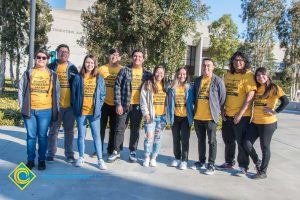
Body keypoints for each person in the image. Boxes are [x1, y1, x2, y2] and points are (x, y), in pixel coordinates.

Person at [243, 67, 289, 179]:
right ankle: (257, 161)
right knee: (246, 143)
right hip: (255, 122)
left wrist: (275, 111)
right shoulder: (257, 88)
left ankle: (263, 172)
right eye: (258, 75)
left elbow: (285, 101)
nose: (260, 77)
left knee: (265, 147)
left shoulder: (274, 87)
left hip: (268, 123)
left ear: (267, 75)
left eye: (263, 75)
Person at [18, 50, 60, 170]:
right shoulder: (28, 73)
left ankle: (42, 160)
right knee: (31, 136)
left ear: (47, 60)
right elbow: (21, 90)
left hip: (45, 110)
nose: (41, 60)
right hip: (30, 110)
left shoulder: (52, 75)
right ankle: (30, 160)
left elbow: (56, 93)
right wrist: (22, 106)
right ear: (35, 58)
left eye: (44, 58)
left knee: (42, 136)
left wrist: (55, 110)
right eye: (38, 57)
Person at [108, 49, 152, 163]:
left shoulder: (147, 74)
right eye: (135, 56)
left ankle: (133, 151)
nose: (137, 58)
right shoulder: (125, 70)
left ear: (143, 59)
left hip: (138, 107)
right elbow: (117, 86)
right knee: (119, 128)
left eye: (140, 56)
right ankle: (116, 151)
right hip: (124, 105)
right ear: (132, 57)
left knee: (135, 130)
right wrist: (118, 104)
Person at [218, 51, 257, 177]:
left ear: (245, 62)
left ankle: (243, 167)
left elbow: (250, 96)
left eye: (241, 60)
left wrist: (240, 114)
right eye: (235, 60)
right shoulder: (228, 75)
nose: (238, 62)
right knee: (228, 140)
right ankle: (229, 162)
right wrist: (222, 109)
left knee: (241, 142)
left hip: (241, 116)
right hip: (227, 114)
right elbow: (223, 94)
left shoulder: (248, 75)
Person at [71, 54, 107, 170]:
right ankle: (81, 157)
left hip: (94, 113)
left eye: (92, 63)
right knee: (81, 135)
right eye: (88, 62)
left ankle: (100, 159)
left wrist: (98, 106)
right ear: (84, 63)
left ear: (95, 64)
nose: (89, 64)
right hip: (81, 112)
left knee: (96, 136)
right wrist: (76, 106)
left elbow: (102, 95)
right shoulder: (78, 77)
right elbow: (74, 94)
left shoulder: (99, 78)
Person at [193, 58, 226, 175]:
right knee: (200, 140)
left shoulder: (218, 81)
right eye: (204, 65)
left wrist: (219, 113)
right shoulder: (197, 80)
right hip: (198, 117)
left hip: (211, 117)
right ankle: (201, 161)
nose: (206, 68)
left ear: (213, 67)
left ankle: (211, 164)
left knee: (212, 141)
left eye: (208, 66)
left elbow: (222, 99)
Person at [47, 44, 78, 163]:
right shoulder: (51, 67)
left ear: (69, 54)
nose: (64, 54)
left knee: (69, 132)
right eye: (61, 51)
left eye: (66, 52)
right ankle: (51, 153)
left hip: (70, 107)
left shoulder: (72, 68)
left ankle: (69, 154)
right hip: (56, 106)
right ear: (57, 53)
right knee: (53, 131)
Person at [92, 48, 122, 157]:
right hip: (103, 103)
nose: (114, 57)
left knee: (114, 128)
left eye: (117, 55)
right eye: (112, 55)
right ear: (108, 56)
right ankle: (98, 149)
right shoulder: (101, 69)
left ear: (120, 57)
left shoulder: (122, 69)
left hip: (116, 103)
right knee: (101, 128)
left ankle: (110, 150)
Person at [140, 65, 167, 167]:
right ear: (154, 72)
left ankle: (153, 158)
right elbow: (143, 101)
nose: (159, 74)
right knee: (148, 137)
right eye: (158, 72)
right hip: (150, 116)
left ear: (164, 75)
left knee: (157, 139)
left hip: (162, 117)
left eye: (162, 73)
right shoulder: (148, 84)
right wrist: (146, 114)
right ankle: (147, 157)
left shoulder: (166, 85)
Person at [167, 67, 194, 170]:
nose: (182, 76)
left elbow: (195, 101)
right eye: (180, 74)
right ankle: (177, 158)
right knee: (176, 139)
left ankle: (184, 160)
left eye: (184, 74)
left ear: (186, 75)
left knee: (185, 139)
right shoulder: (171, 87)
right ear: (177, 75)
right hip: (175, 117)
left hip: (186, 117)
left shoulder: (190, 88)